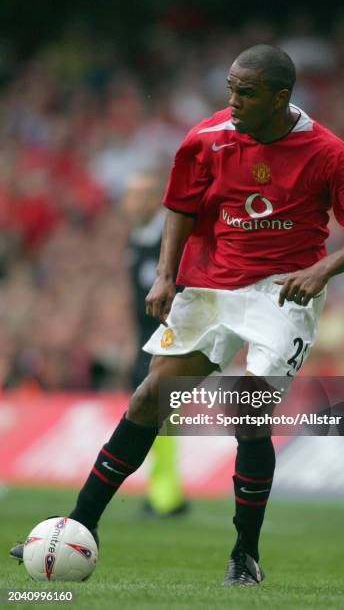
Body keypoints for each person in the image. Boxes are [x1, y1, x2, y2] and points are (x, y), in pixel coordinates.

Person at [10, 44, 344, 586]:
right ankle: (77, 524)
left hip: (280, 296)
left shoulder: (327, 152)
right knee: (148, 398)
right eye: (231, 89)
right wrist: (166, 274)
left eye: (247, 92)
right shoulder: (207, 138)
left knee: (248, 414)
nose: (233, 101)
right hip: (209, 286)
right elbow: (181, 207)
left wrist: (323, 270)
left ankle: (245, 554)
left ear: (281, 98)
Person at [121, 172, 188, 517]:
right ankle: (162, 490)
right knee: (155, 417)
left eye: (144, 194)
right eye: (131, 195)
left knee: (159, 416)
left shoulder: (167, 238)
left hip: (168, 340)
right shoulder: (135, 238)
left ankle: (165, 495)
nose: (136, 201)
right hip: (143, 342)